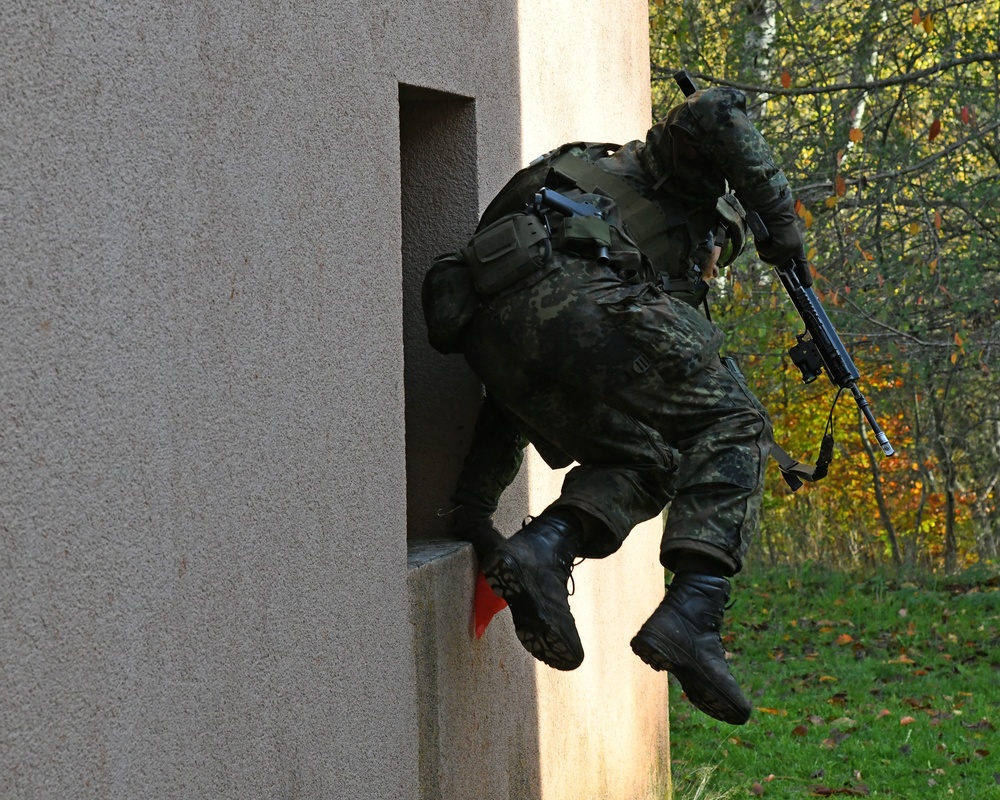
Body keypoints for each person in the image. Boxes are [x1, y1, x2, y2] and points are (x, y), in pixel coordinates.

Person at [421, 85, 806, 726]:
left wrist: (475, 515)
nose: (711, 263)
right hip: (574, 297)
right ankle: (695, 611)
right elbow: (715, 112)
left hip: (500, 336)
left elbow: (514, 402)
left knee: (652, 458)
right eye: (717, 246)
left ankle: (545, 548)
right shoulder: (663, 176)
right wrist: (783, 224)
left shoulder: (588, 195)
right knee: (735, 418)